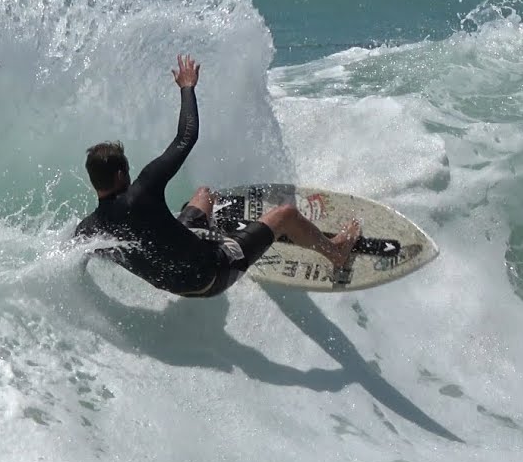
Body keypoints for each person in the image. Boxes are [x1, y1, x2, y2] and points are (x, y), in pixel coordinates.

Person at [75, 54, 360, 298]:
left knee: (203, 196)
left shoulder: (91, 229)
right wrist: (187, 88)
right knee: (284, 214)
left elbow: (77, 254)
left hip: (177, 286)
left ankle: (210, 228)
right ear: (121, 173)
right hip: (212, 273)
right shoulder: (143, 189)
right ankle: (336, 252)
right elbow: (186, 138)